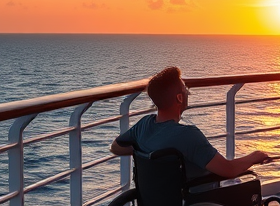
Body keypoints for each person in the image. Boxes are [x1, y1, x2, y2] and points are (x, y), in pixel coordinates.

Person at [110, 66, 268, 178]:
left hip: (156, 205)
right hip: (193, 201)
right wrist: (255, 156)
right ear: (179, 98)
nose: (188, 92)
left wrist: (145, 153)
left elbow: (115, 147)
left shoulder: (143, 124)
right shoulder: (188, 135)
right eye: (185, 89)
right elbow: (228, 169)